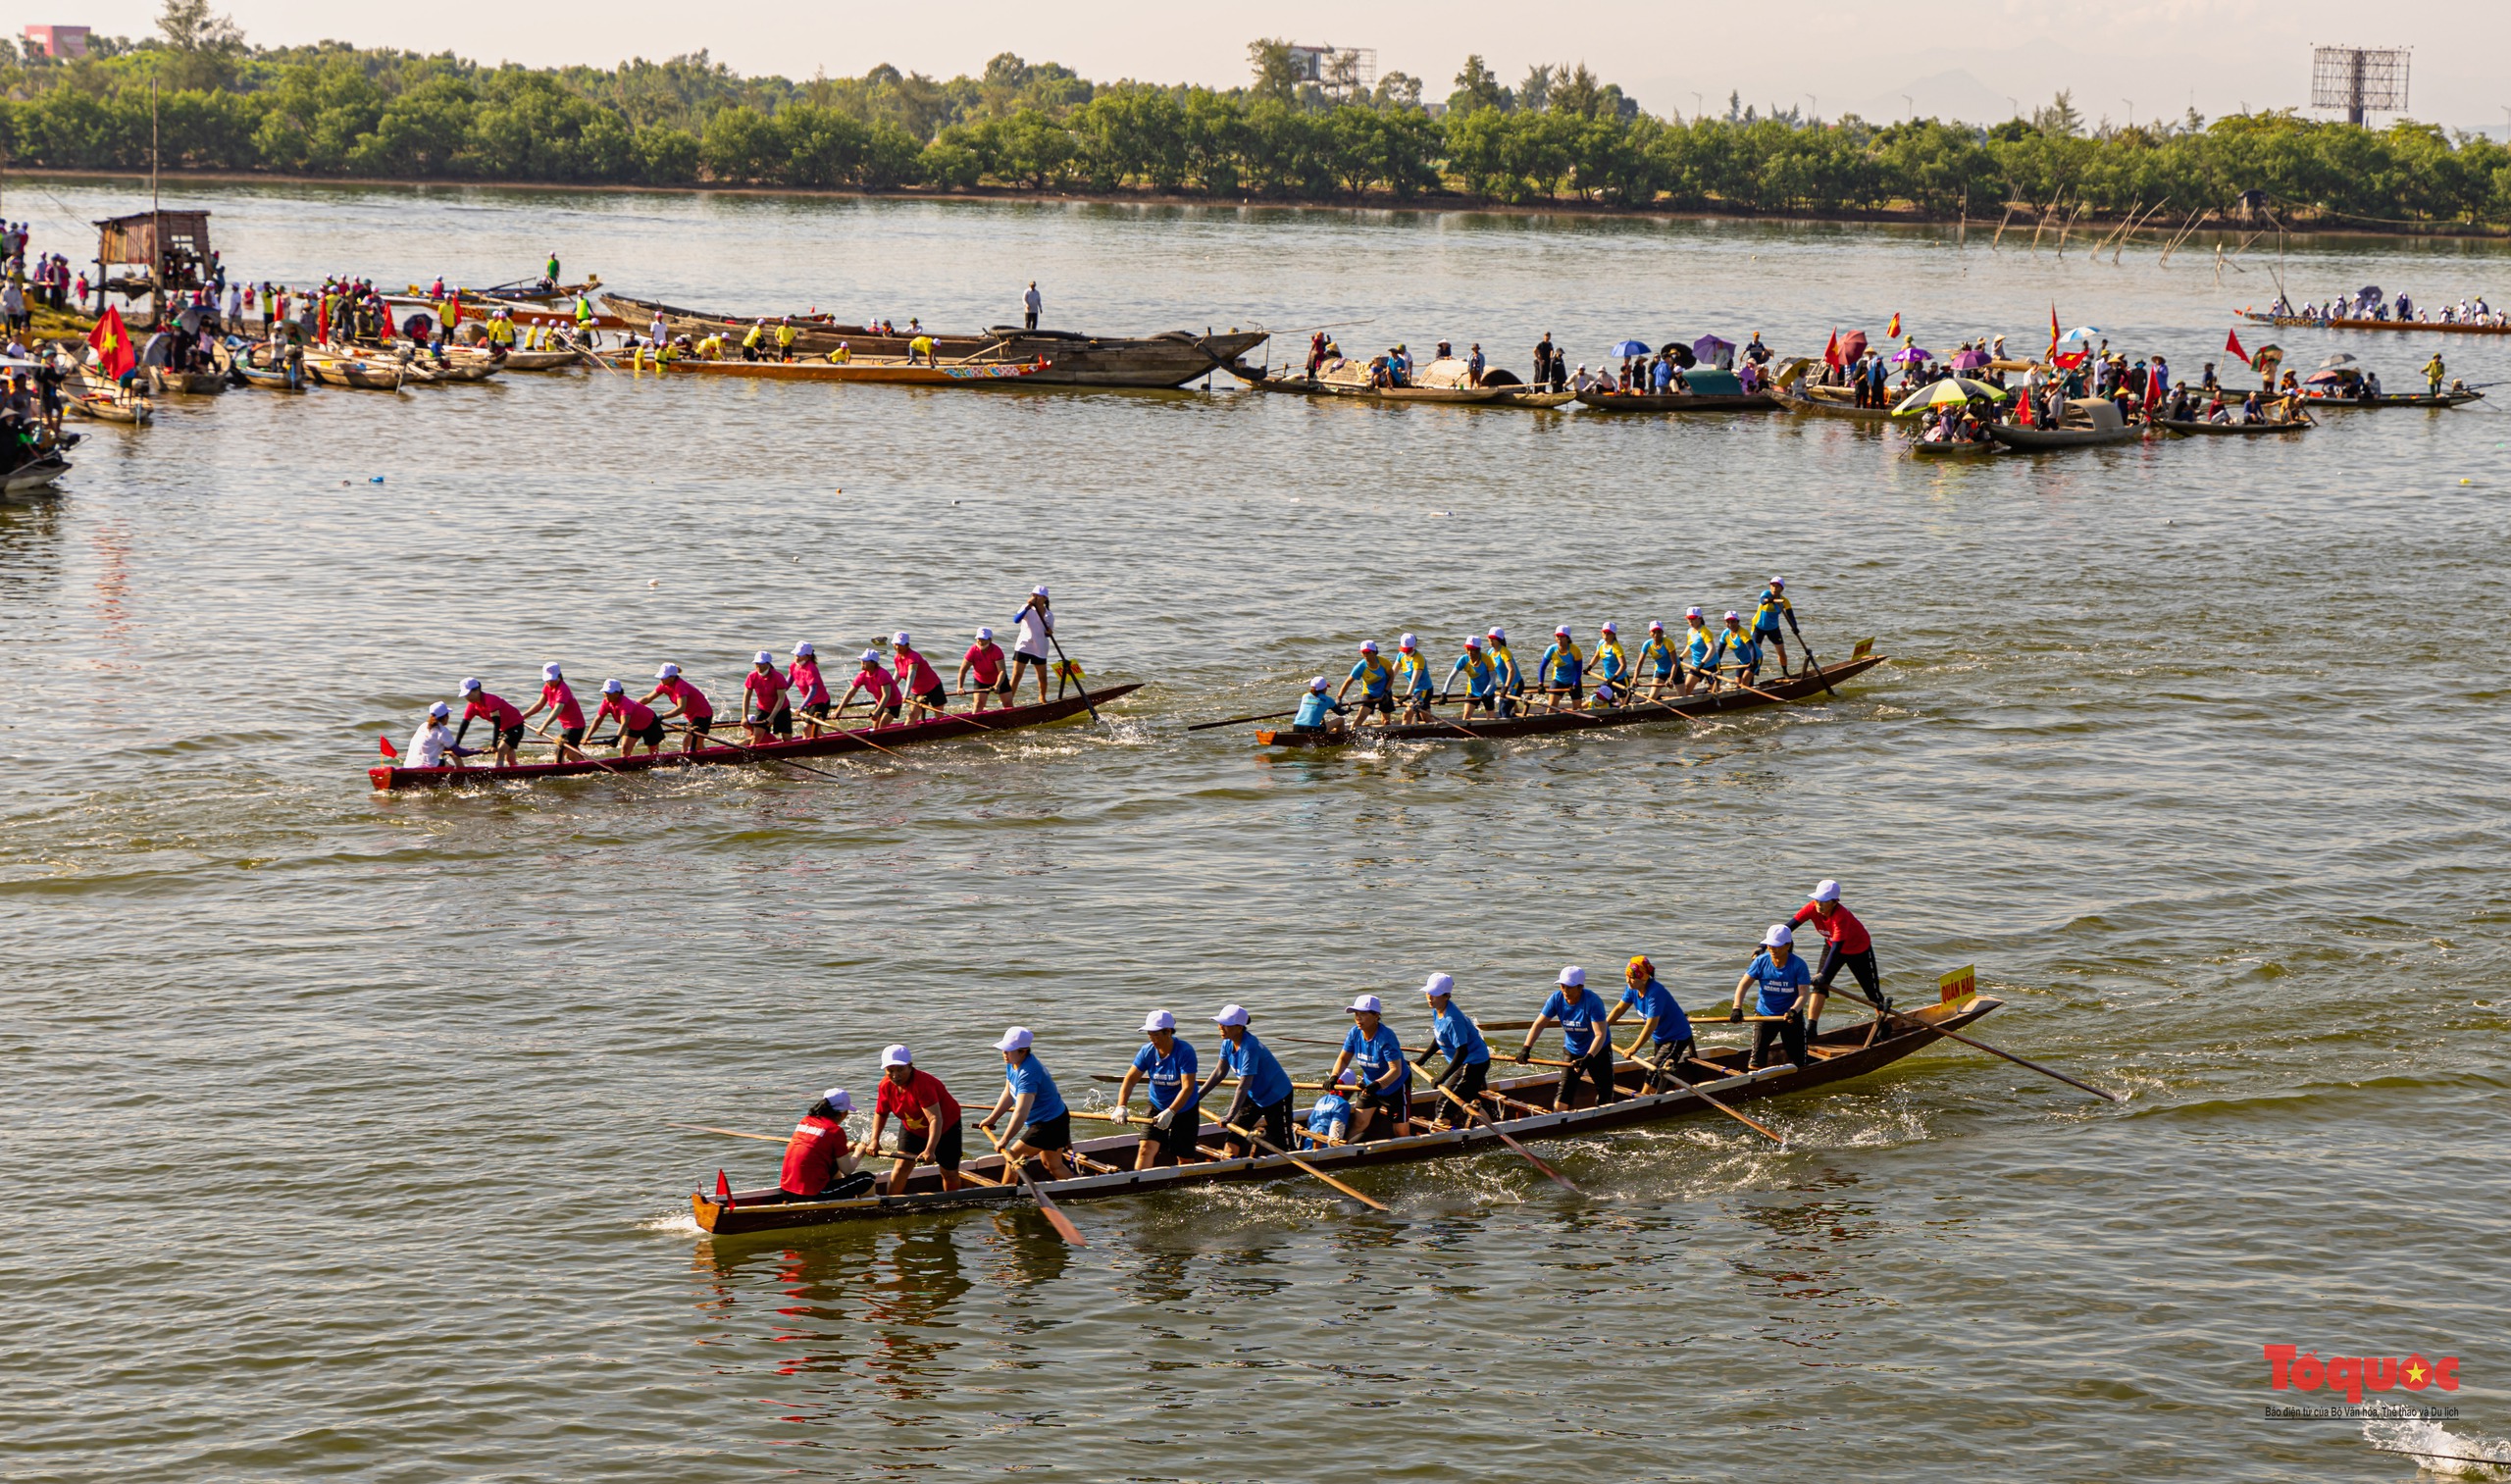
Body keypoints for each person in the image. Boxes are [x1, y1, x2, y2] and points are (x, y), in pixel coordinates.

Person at [1197, 1002, 1296, 1157]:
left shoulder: (1249, 1047)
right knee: (1235, 1132)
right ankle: (1229, 1161)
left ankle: (1294, 1166)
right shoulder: (1227, 1043)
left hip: (1277, 1097)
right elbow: (1219, 1073)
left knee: (1283, 1144)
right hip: (1254, 1096)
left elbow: (1243, 1085)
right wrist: (1196, 1097)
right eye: (1220, 1024)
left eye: (1226, 1025)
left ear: (1239, 1027)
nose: (1220, 1028)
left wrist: (1229, 1115)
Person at [866, 1045, 967, 1195]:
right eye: (890, 1070)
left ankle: (952, 1203)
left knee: (949, 1173)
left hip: (945, 1128)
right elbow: (881, 1113)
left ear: (910, 1066)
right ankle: (891, 1204)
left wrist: (930, 1150)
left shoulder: (923, 1085)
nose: (895, 1075)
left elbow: (935, 1119)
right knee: (901, 1166)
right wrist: (874, 1140)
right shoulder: (885, 1085)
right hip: (912, 1127)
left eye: (900, 1069)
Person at [978, 1026, 1074, 1181]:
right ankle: (1077, 1186)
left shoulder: (1028, 1073)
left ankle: (1006, 1195)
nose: (1004, 1054)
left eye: (1008, 1050)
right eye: (1004, 1050)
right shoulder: (1012, 1063)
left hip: (1050, 1123)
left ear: (1023, 1051)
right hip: (1049, 1119)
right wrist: (992, 1119)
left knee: (1014, 1155)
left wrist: (1004, 1140)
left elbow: (1020, 1112)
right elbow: (1009, 1093)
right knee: (1052, 1165)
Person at [1516, 966, 1617, 1109]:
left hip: (1598, 1051)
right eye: (1562, 986)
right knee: (1563, 1093)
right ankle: (1558, 1118)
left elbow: (1600, 1034)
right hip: (1572, 1049)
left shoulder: (1593, 1002)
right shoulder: (1556, 999)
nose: (1565, 990)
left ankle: (1604, 1115)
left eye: (1569, 987)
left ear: (1580, 987)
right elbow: (1539, 1025)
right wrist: (1526, 1049)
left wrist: (1588, 1057)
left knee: (1605, 1092)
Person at [1113, 1010, 1202, 1170]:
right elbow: (1130, 1079)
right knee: (1145, 1150)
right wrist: (1121, 1106)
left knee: (1184, 1158)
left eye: (1156, 1035)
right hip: (1157, 1105)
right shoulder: (1147, 1051)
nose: (1152, 1039)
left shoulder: (1185, 1052)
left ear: (1168, 1032)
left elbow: (1188, 1087)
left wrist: (1171, 1112)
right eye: (1149, 1034)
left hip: (1184, 1109)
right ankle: (1141, 1185)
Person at [1790, 879, 1890, 1016]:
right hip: (1831, 946)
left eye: (1824, 901)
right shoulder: (1812, 907)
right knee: (1819, 987)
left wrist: (1823, 974)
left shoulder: (1841, 916)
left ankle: (1883, 1022)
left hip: (1858, 950)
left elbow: (1837, 949)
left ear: (1835, 902)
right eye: (1817, 899)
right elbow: (1788, 927)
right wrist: (1764, 945)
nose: (1819, 904)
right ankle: (1812, 1028)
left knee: (1872, 993)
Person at [1327, 994, 1412, 1140]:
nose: (1358, 1018)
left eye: (1363, 1014)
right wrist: (1334, 1077)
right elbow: (1343, 1058)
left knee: (1401, 1132)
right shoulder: (1354, 1033)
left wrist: (1379, 1085)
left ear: (1376, 1016)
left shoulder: (1386, 1037)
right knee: (1359, 1123)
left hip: (1395, 1086)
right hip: (1370, 1085)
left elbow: (1396, 1070)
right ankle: (1345, 1150)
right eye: (1356, 1014)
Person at [1606, 955, 1695, 1092]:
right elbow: (1619, 1009)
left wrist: (1633, 1049)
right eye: (1627, 975)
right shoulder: (1632, 989)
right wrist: (1602, 1028)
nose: (1628, 980)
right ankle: (1686, 1096)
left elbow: (1650, 1025)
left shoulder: (1655, 993)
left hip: (1677, 1037)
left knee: (1653, 1074)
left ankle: (1643, 1100)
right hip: (1660, 1037)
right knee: (1666, 1074)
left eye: (1632, 977)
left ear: (1644, 978)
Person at [1731, 924, 1814, 1070]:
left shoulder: (1799, 965)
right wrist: (1737, 1008)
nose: (1772, 949)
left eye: (1776, 946)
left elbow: (1803, 994)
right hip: (1765, 1016)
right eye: (1769, 945)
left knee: (1800, 1063)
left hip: (1790, 1017)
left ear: (1788, 945)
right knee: (1755, 1063)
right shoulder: (1761, 961)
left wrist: (1793, 1011)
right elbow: (1743, 986)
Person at [1419, 974, 1492, 1126]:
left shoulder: (1453, 1019)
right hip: (1470, 1060)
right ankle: (1491, 1127)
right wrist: (1421, 1060)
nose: (1430, 998)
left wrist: (1442, 1078)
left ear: (1446, 996)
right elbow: (1439, 1038)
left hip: (1473, 1062)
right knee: (1471, 1099)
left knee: (1444, 1103)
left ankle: (1443, 1128)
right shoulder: (1437, 1009)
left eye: (1435, 995)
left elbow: (1462, 1052)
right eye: (1428, 993)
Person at [776, 1089, 873, 1202]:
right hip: (813, 1194)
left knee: (832, 1163)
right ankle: (865, 1210)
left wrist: (846, 1149)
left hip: (786, 1190)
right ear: (843, 1114)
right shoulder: (835, 1131)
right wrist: (859, 1152)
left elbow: (817, 1151)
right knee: (867, 1178)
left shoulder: (805, 1121)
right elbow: (848, 1170)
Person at [517, 661, 587, 761]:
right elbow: (539, 705)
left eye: (552, 679)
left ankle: (558, 773)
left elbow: (556, 711)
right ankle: (586, 768)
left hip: (576, 726)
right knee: (570, 753)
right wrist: (521, 717)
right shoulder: (547, 687)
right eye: (548, 680)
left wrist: (543, 727)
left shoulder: (563, 690)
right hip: (566, 725)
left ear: (559, 676)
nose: (550, 682)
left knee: (560, 750)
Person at [454, 677, 526, 769]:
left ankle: (498, 774)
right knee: (508, 751)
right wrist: (455, 746)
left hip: (516, 725)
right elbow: (464, 725)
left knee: (500, 750)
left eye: (468, 694)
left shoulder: (490, 700)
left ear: (477, 690)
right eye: (465, 695)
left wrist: (494, 744)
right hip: (503, 728)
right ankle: (515, 768)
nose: (467, 697)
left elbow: (497, 723)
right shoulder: (472, 706)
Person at [642, 663, 715, 753]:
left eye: (664, 677)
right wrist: (634, 706)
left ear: (672, 677)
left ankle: (708, 761)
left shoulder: (680, 686)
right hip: (692, 717)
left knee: (694, 745)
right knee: (693, 744)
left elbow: (681, 709)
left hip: (703, 715)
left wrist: (661, 717)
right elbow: (647, 698)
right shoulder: (664, 685)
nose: (661, 679)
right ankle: (687, 761)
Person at [592, 679, 664, 757]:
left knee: (653, 752)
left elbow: (624, 723)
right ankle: (625, 765)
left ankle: (655, 765)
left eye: (609, 693)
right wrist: (587, 737)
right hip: (633, 725)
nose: (606, 695)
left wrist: (616, 738)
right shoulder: (606, 702)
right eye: (605, 692)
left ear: (617, 693)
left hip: (649, 723)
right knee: (625, 749)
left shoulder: (624, 703)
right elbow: (598, 719)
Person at [1010, 587, 1055, 702]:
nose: (1034, 597)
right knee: (1016, 675)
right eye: (1033, 595)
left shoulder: (1049, 615)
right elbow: (1016, 620)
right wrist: (1027, 607)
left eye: (1038, 595)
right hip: (1024, 645)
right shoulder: (1027, 609)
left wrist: (1049, 632)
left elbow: (1047, 634)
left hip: (1040, 647)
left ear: (1044, 598)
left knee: (1042, 677)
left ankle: (1042, 698)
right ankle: (1009, 701)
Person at [891, 633, 948, 717]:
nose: (897, 647)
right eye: (896, 644)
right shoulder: (897, 657)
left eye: (901, 645)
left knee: (939, 716)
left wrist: (905, 695)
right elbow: (898, 674)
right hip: (917, 691)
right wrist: (890, 690)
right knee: (911, 716)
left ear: (907, 645)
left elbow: (911, 677)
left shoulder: (913, 657)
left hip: (933, 688)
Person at [1338, 640, 1395, 726]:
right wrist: (1339, 698)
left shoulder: (1384, 662)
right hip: (1369, 694)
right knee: (1360, 717)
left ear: (1374, 652)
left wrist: (1386, 691)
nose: (1365, 655)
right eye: (1363, 652)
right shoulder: (1360, 667)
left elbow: (1391, 676)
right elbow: (1348, 682)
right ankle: (1352, 732)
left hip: (1385, 694)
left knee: (1386, 722)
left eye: (1367, 652)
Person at [842, 649, 902, 726]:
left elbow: (886, 695)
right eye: (862, 660)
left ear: (873, 663)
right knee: (875, 728)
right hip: (880, 702)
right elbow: (850, 692)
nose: (862, 663)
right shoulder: (862, 675)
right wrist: (839, 710)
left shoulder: (882, 674)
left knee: (882, 724)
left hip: (894, 703)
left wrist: (877, 712)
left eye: (865, 661)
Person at [742, 650, 791, 743]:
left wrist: (772, 717)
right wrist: (744, 717)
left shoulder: (778, 677)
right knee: (757, 737)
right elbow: (746, 698)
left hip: (781, 709)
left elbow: (781, 699)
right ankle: (751, 755)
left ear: (768, 664)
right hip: (763, 708)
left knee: (787, 738)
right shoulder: (752, 676)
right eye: (757, 664)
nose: (759, 666)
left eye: (762, 664)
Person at [1446, 634, 1498, 721]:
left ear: (1478, 650)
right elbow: (1451, 677)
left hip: (1488, 692)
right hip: (1473, 691)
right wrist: (1444, 693)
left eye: (1472, 650)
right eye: (1468, 649)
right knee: (1466, 716)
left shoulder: (1487, 659)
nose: (1469, 653)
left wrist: (1485, 693)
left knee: (1491, 719)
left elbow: (1493, 679)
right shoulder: (1463, 660)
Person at [958, 626, 1009, 712]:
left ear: (990, 640)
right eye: (979, 639)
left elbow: (1002, 671)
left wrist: (997, 685)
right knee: (978, 705)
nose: (980, 642)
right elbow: (962, 671)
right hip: (981, 680)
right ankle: (976, 723)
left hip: (999, 679)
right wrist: (960, 687)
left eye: (983, 639)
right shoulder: (972, 651)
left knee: (1008, 704)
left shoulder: (996, 651)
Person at [787, 641, 832, 737]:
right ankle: (828, 744)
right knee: (816, 731)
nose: (797, 657)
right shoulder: (793, 666)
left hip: (820, 703)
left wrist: (801, 707)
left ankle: (805, 750)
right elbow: (787, 684)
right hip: (810, 703)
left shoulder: (811, 669)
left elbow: (813, 691)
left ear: (808, 656)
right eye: (796, 654)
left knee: (807, 730)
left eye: (800, 655)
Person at [1751, 578, 1794, 676]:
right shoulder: (1765, 593)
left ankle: (1785, 672)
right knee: (1756, 653)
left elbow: (1791, 616)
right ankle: (1752, 675)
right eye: (1772, 585)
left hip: (1773, 629)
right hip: (1758, 627)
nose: (1774, 588)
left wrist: (1794, 627)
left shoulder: (1784, 601)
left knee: (1781, 652)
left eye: (1777, 586)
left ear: (1781, 589)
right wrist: (1769, 600)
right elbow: (1762, 601)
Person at [1390, 634, 1436, 723]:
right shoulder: (1401, 655)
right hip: (1415, 691)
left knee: (1407, 714)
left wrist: (1406, 696)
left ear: (1415, 646)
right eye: (1404, 650)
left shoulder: (1419, 659)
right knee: (1425, 717)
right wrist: (1384, 687)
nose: (1406, 652)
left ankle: (1403, 735)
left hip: (1423, 690)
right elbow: (1392, 674)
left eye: (1408, 650)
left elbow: (1414, 681)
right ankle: (1438, 730)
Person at [1537, 625, 1584, 711]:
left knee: (1577, 709)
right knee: (1551, 707)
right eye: (1557, 636)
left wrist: (1575, 684)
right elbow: (1542, 667)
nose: (1559, 639)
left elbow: (1579, 670)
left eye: (1562, 637)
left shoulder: (1575, 650)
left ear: (1567, 638)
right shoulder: (1551, 649)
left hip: (1574, 681)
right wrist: (1540, 684)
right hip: (1558, 680)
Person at [1289, 676, 1350, 741]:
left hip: (1296, 727)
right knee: (1341, 720)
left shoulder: (1305, 696)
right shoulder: (1328, 700)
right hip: (1313, 729)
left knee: (1319, 719)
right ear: (1324, 689)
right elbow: (1340, 713)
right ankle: (1339, 739)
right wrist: (1349, 709)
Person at [407, 701, 462, 769]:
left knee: (450, 756)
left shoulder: (423, 726)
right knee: (451, 763)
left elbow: (427, 745)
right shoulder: (442, 730)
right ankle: (463, 775)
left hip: (408, 765)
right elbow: (460, 752)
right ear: (445, 717)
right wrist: (477, 751)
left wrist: (447, 751)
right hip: (425, 766)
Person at [1635, 619, 1679, 702]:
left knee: (1682, 698)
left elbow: (1674, 663)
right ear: (1650, 633)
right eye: (1654, 632)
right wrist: (1634, 679)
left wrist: (1671, 679)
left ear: (1662, 633)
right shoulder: (1647, 644)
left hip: (1675, 670)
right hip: (1661, 670)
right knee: (1651, 698)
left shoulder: (1668, 643)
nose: (1656, 634)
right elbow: (1640, 663)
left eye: (1659, 632)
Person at [1486, 627, 1523, 717]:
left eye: (1493, 638)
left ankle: (1512, 728)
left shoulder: (1504, 652)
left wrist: (1506, 688)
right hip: (1506, 685)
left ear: (1499, 640)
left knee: (1504, 710)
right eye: (1489, 638)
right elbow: (1488, 671)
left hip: (1515, 684)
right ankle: (1514, 715)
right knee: (1501, 711)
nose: (1491, 640)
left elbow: (1511, 670)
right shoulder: (1490, 652)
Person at [1590, 621, 1628, 707]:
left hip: (1621, 679)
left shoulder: (1616, 647)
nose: (1606, 636)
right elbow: (1596, 656)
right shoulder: (1601, 643)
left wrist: (1614, 677)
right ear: (1601, 632)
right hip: (1607, 679)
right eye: (1605, 633)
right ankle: (1612, 705)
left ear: (1614, 635)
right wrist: (1589, 667)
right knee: (1599, 698)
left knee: (1624, 706)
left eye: (1609, 634)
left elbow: (1623, 665)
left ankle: (1617, 706)